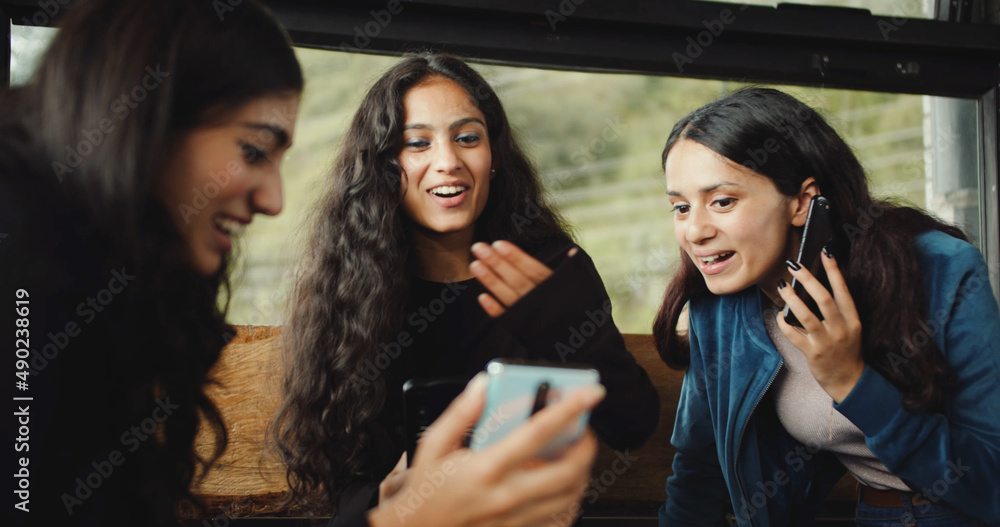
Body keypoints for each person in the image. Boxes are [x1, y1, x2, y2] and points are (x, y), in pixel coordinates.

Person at [1, 2, 599, 526]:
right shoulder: (34, 276)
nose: (273, 199)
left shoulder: (106, 290)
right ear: (147, 120)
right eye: (252, 150)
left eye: (467, 137)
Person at [272, 53, 661, 524]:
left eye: (467, 138)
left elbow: (631, 424)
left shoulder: (552, 269)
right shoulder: (350, 286)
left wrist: (568, 330)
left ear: (494, 157)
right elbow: (343, 487)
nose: (448, 162)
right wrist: (392, 499)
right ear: (384, 166)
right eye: (417, 144)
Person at [653, 87, 1000, 526]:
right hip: (873, 512)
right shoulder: (719, 307)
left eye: (722, 201)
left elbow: (992, 484)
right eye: (680, 207)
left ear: (801, 202)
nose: (695, 230)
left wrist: (851, 381)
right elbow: (699, 472)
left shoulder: (940, 271)